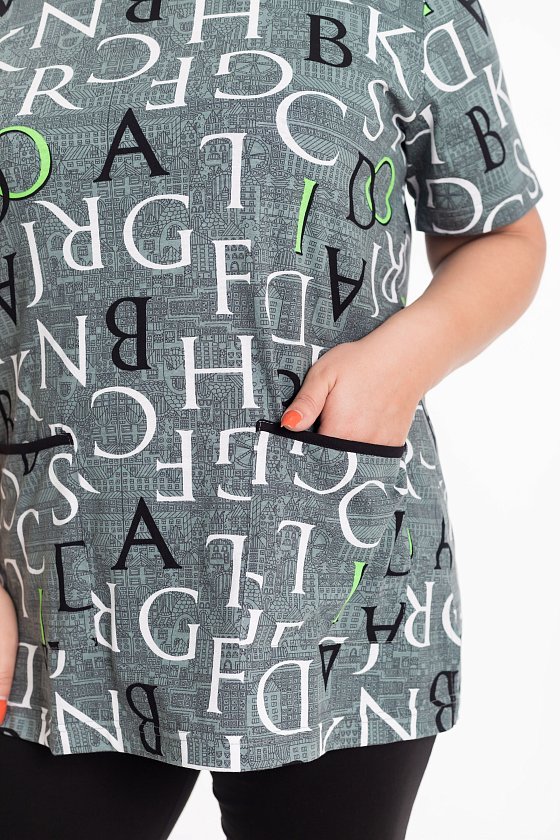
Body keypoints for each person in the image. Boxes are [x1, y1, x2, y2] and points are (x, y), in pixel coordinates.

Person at [0, 0, 546, 838]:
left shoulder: (411, 9)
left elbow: (501, 233)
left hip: (326, 559)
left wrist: (400, 363)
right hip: (52, 577)